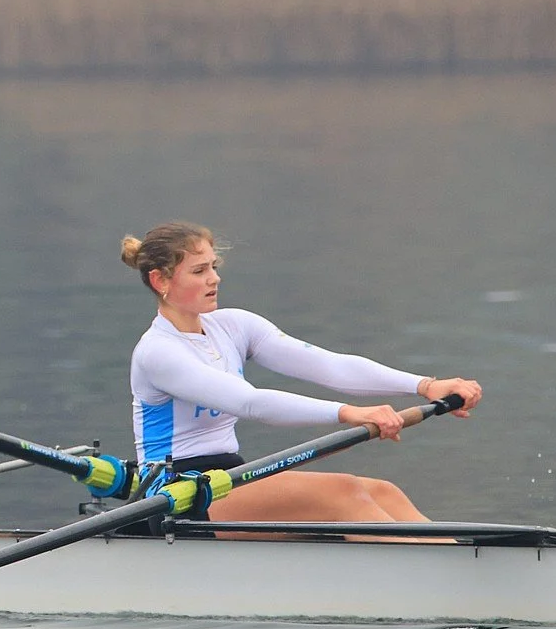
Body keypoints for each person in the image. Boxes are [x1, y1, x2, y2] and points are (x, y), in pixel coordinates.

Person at [120, 221, 482, 525]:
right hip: (176, 494)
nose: (214, 279)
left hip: (229, 476)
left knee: (383, 491)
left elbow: (332, 366)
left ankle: (455, 559)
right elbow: (251, 403)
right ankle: (435, 574)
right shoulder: (159, 352)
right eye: (199, 271)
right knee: (343, 493)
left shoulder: (234, 326)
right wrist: (349, 413)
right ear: (160, 281)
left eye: (214, 267)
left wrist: (426, 385)